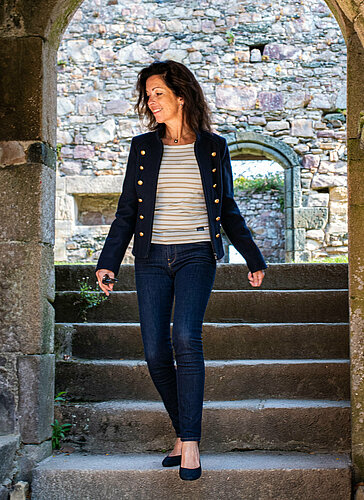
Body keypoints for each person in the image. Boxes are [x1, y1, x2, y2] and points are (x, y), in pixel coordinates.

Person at [95, 60, 267, 481]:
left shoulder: (213, 147)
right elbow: (126, 211)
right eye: (148, 95)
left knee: (185, 337)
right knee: (155, 351)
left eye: (158, 93)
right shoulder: (143, 147)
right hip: (151, 257)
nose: (150, 101)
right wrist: (108, 262)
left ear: (181, 96)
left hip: (196, 254)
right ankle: (182, 432)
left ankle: (189, 443)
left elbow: (227, 209)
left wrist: (252, 255)